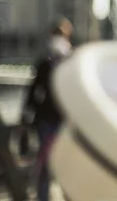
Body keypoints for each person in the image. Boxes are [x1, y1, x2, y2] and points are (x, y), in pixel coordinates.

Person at [23, 17, 73, 201]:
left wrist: (28, 113)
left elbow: (33, 92)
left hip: (60, 121)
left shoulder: (66, 62)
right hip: (53, 120)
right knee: (48, 164)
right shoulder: (50, 62)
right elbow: (34, 90)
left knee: (60, 164)